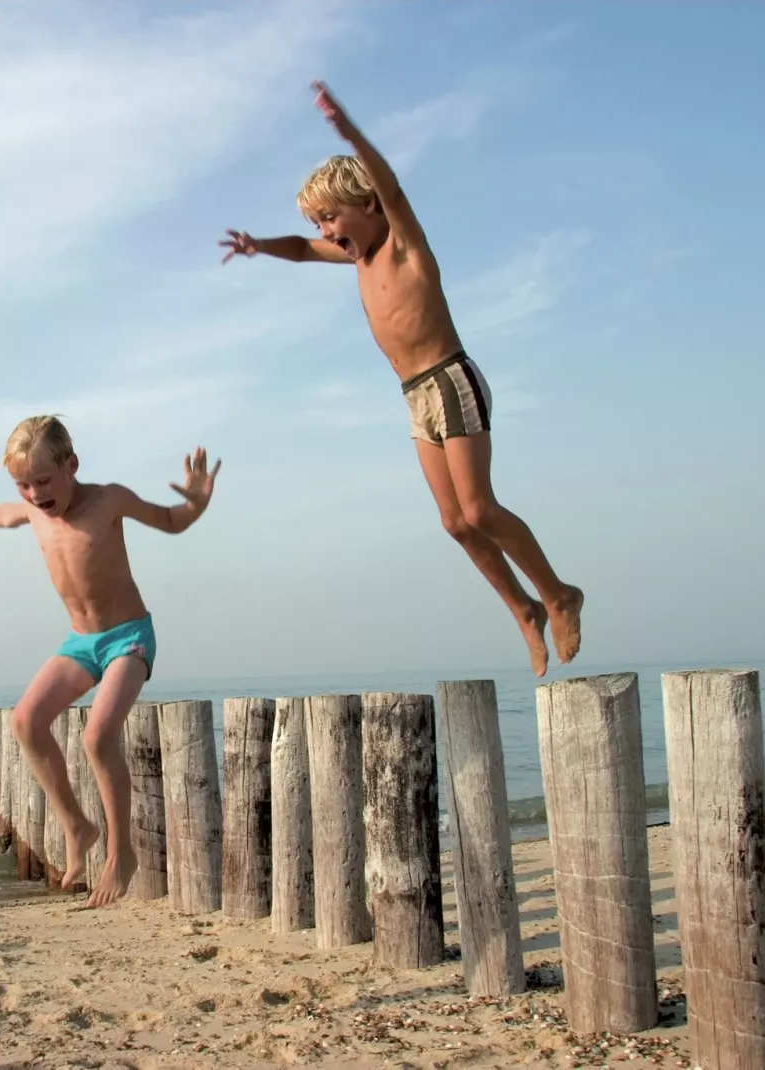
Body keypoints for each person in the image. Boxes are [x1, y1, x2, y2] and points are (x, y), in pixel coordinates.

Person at [219, 80, 582, 676]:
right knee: (454, 523)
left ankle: (557, 593)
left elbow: (389, 185)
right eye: (318, 220)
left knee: (480, 508)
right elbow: (306, 252)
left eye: (331, 216)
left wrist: (351, 135)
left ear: (367, 206)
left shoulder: (405, 245)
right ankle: (522, 609)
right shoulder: (352, 258)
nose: (326, 230)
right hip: (415, 396)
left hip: (450, 379)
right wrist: (260, 245)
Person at [0, 416, 220, 906]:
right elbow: (6, 513)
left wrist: (195, 503)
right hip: (80, 643)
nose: (34, 493)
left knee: (98, 735)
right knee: (26, 721)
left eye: (44, 481)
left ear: (72, 465)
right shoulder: (32, 510)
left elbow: (170, 521)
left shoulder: (109, 499)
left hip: (128, 639)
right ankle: (77, 827)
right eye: (23, 483)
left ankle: (121, 854)